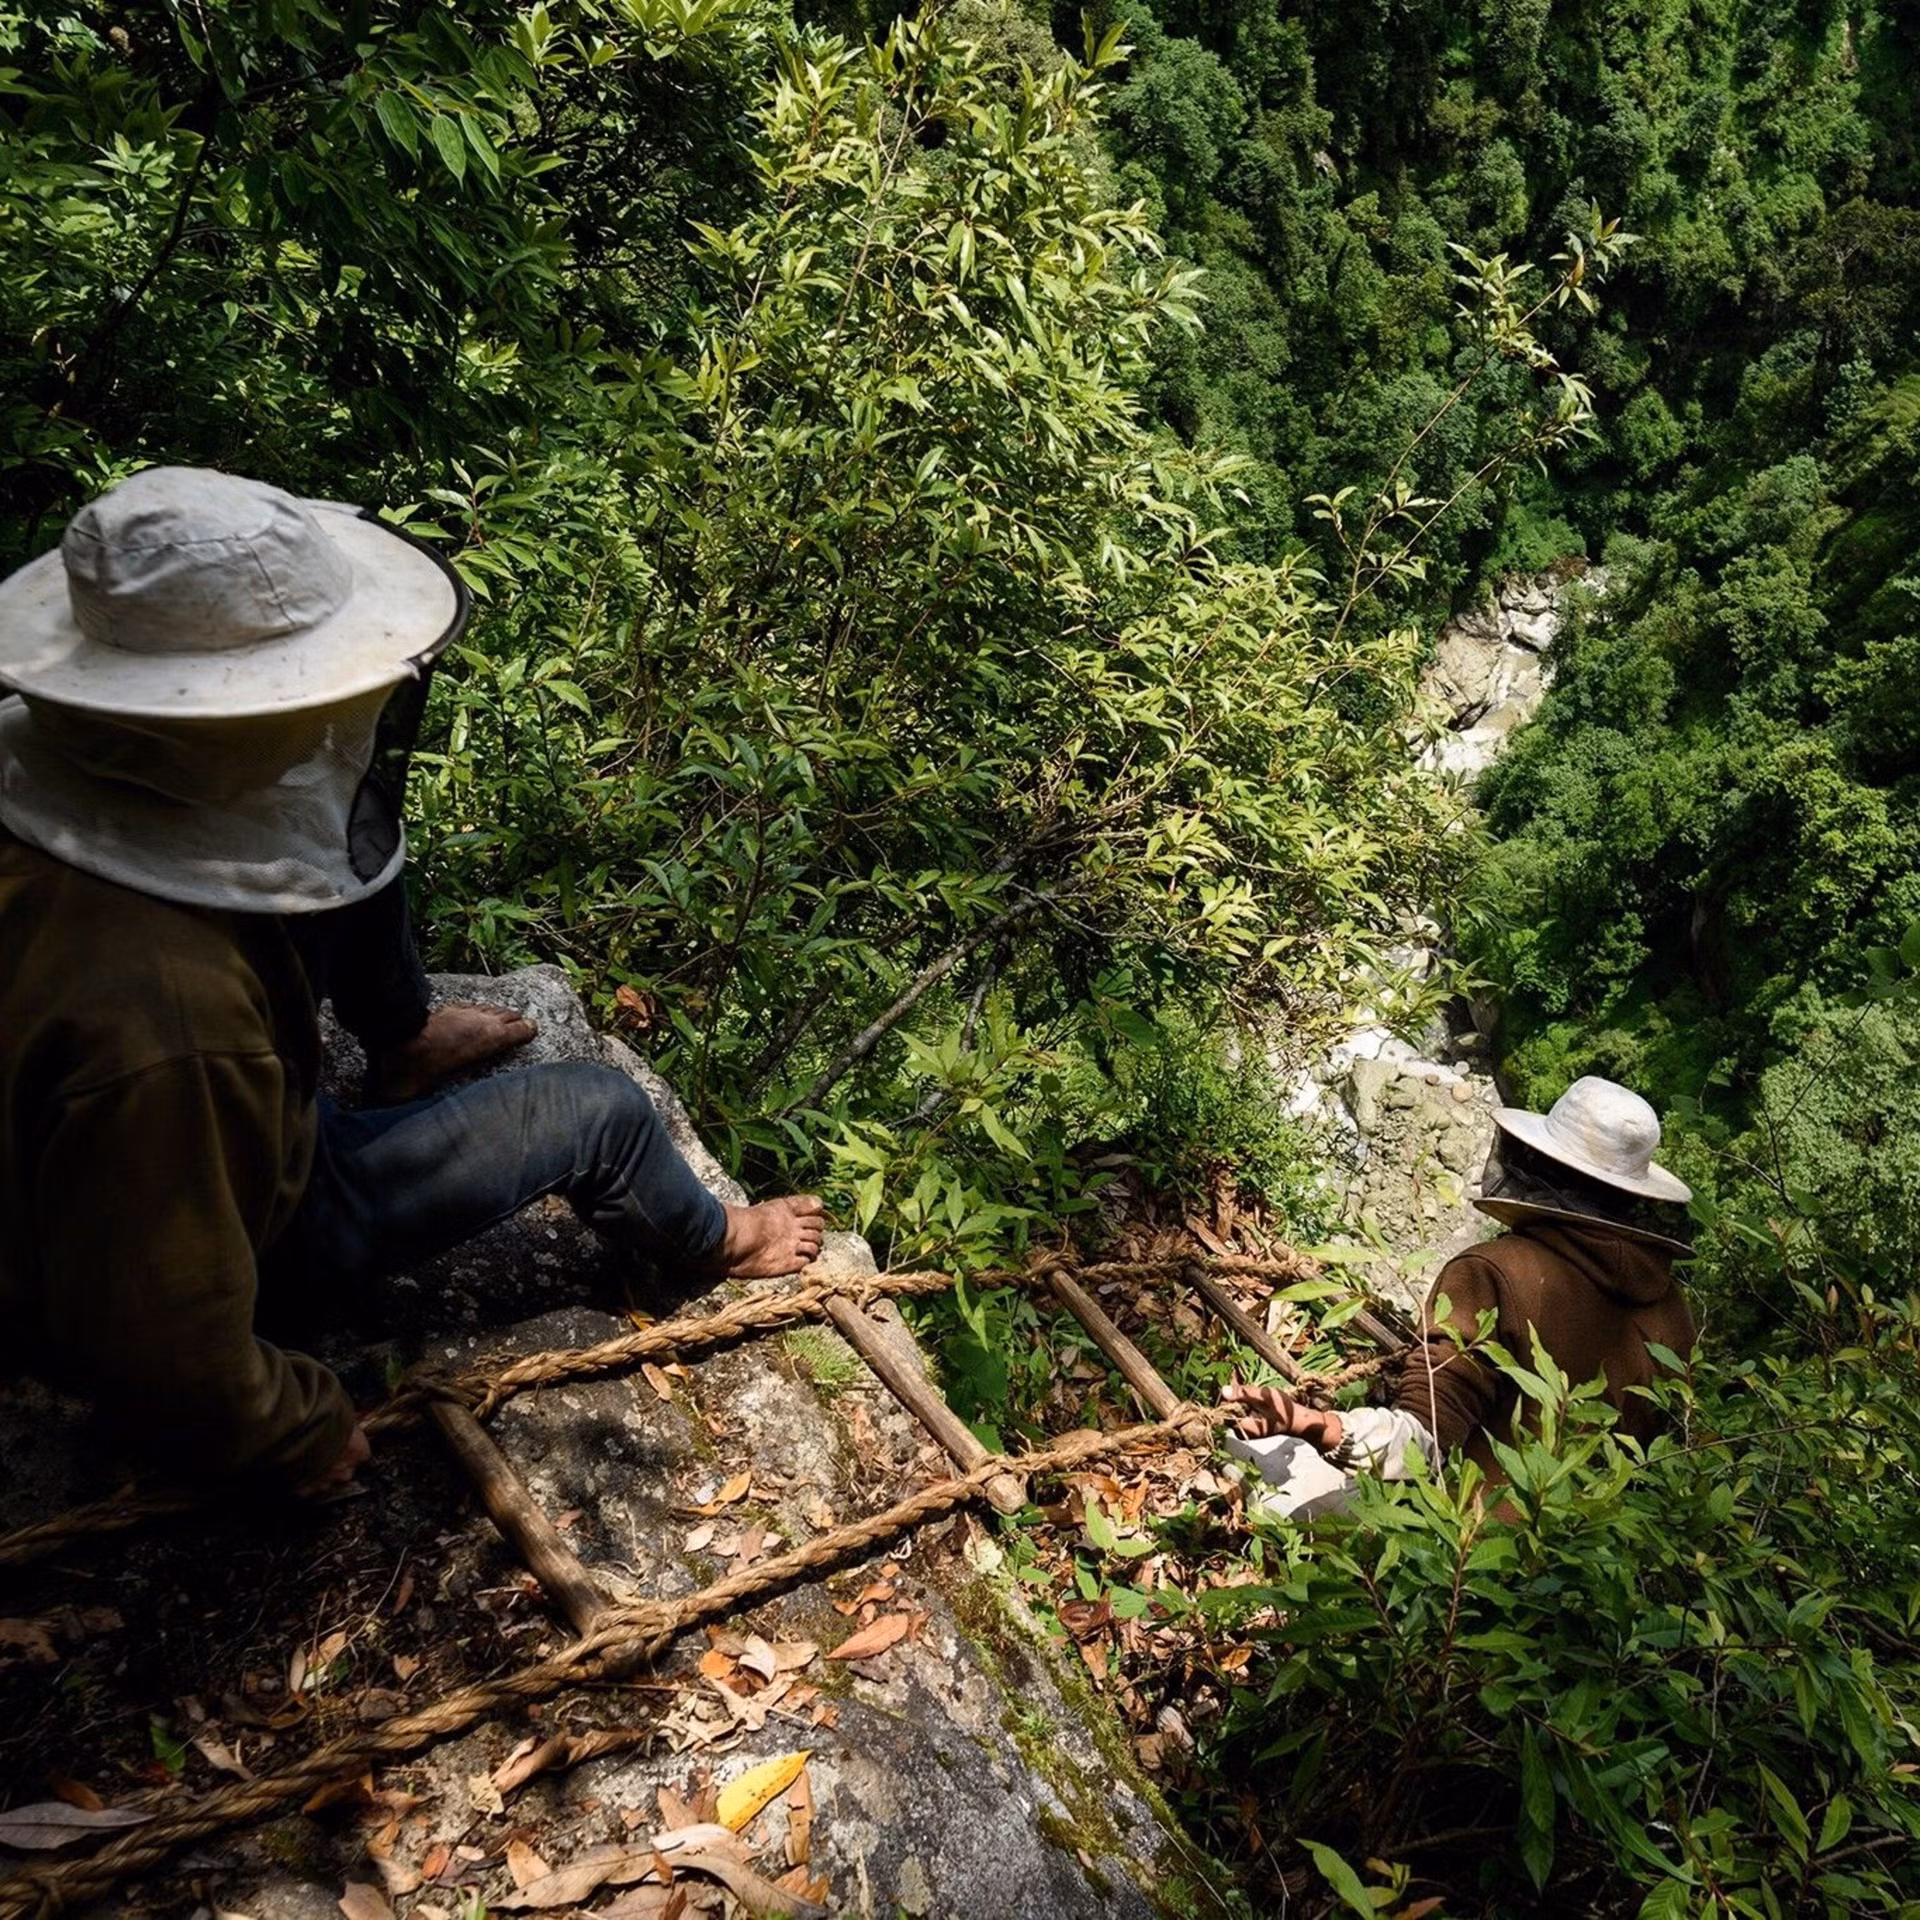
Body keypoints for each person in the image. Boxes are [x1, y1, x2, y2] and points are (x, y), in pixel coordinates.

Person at [0, 466, 825, 1497]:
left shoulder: (50, 775)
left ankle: (404, 1035)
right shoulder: (171, 1022)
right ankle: (721, 1242)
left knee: (345, 859)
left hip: (153, 1140)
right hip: (251, 1206)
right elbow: (156, 1330)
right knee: (604, 1110)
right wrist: (286, 1424)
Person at [1222, 1076, 1697, 1516]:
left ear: (1536, 1164)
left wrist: (1314, 1423)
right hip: (1593, 1543)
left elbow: (1422, 1442)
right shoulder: (1672, 1304)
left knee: (1247, 1457)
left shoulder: (1495, 1270)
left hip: (1473, 1546)